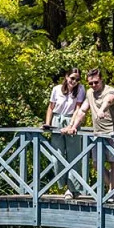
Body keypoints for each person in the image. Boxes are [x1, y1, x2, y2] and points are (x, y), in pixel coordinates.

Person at [62, 68, 114, 197]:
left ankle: (112, 192)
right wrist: (74, 126)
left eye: (96, 82)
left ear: (102, 80)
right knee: (96, 164)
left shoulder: (110, 90)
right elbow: (82, 111)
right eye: (90, 83)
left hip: (113, 131)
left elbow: (109, 100)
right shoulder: (89, 93)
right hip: (98, 133)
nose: (93, 85)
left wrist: (102, 109)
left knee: (113, 162)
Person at [42, 68, 86, 200]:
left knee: (73, 155)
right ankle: (63, 183)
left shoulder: (81, 89)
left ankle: (71, 189)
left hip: (71, 120)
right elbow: (51, 107)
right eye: (72, 78)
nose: (74, 81)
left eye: (77, 79)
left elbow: (78, 109)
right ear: (66, 77)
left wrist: (71, 126)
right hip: (57, 121)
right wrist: (47, 123)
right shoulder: (56, 89)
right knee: (57, 156)